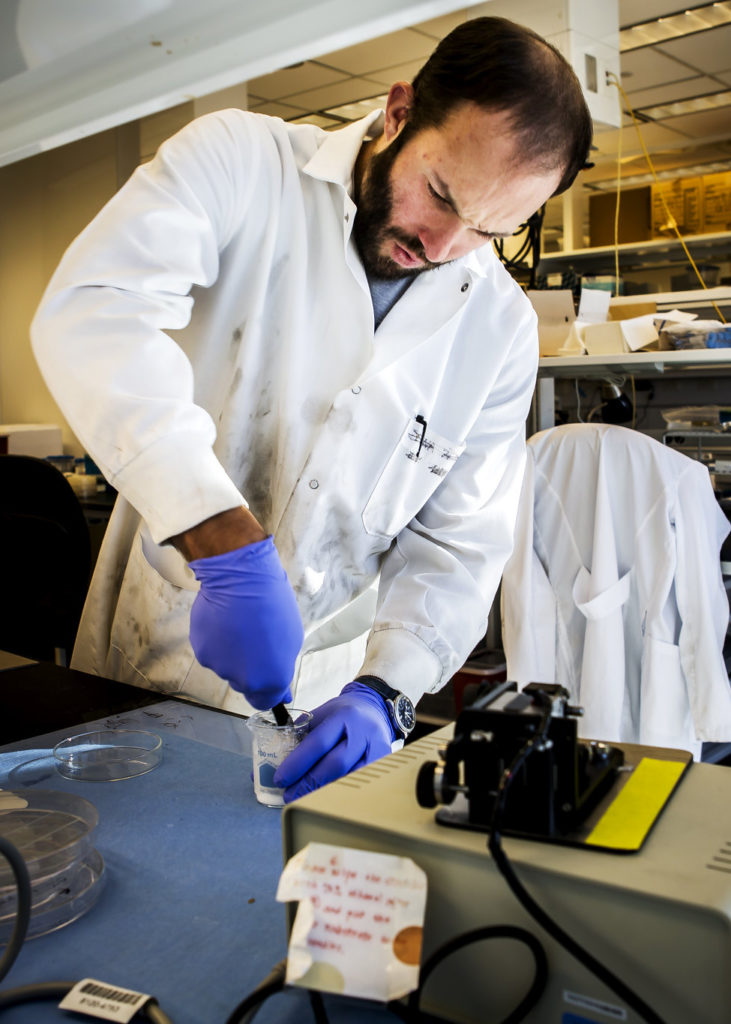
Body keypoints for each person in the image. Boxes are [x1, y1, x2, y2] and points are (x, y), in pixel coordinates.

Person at [31, 17, 592, 802]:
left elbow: (459, 545)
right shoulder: (239, 160)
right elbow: (96, 310)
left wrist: (386, 691)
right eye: (438, 195)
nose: (442, 244)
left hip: (325, 693)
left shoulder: (498, 328)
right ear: (398, 112)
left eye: (489, 230)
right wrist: (219, 539)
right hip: (147, 654)